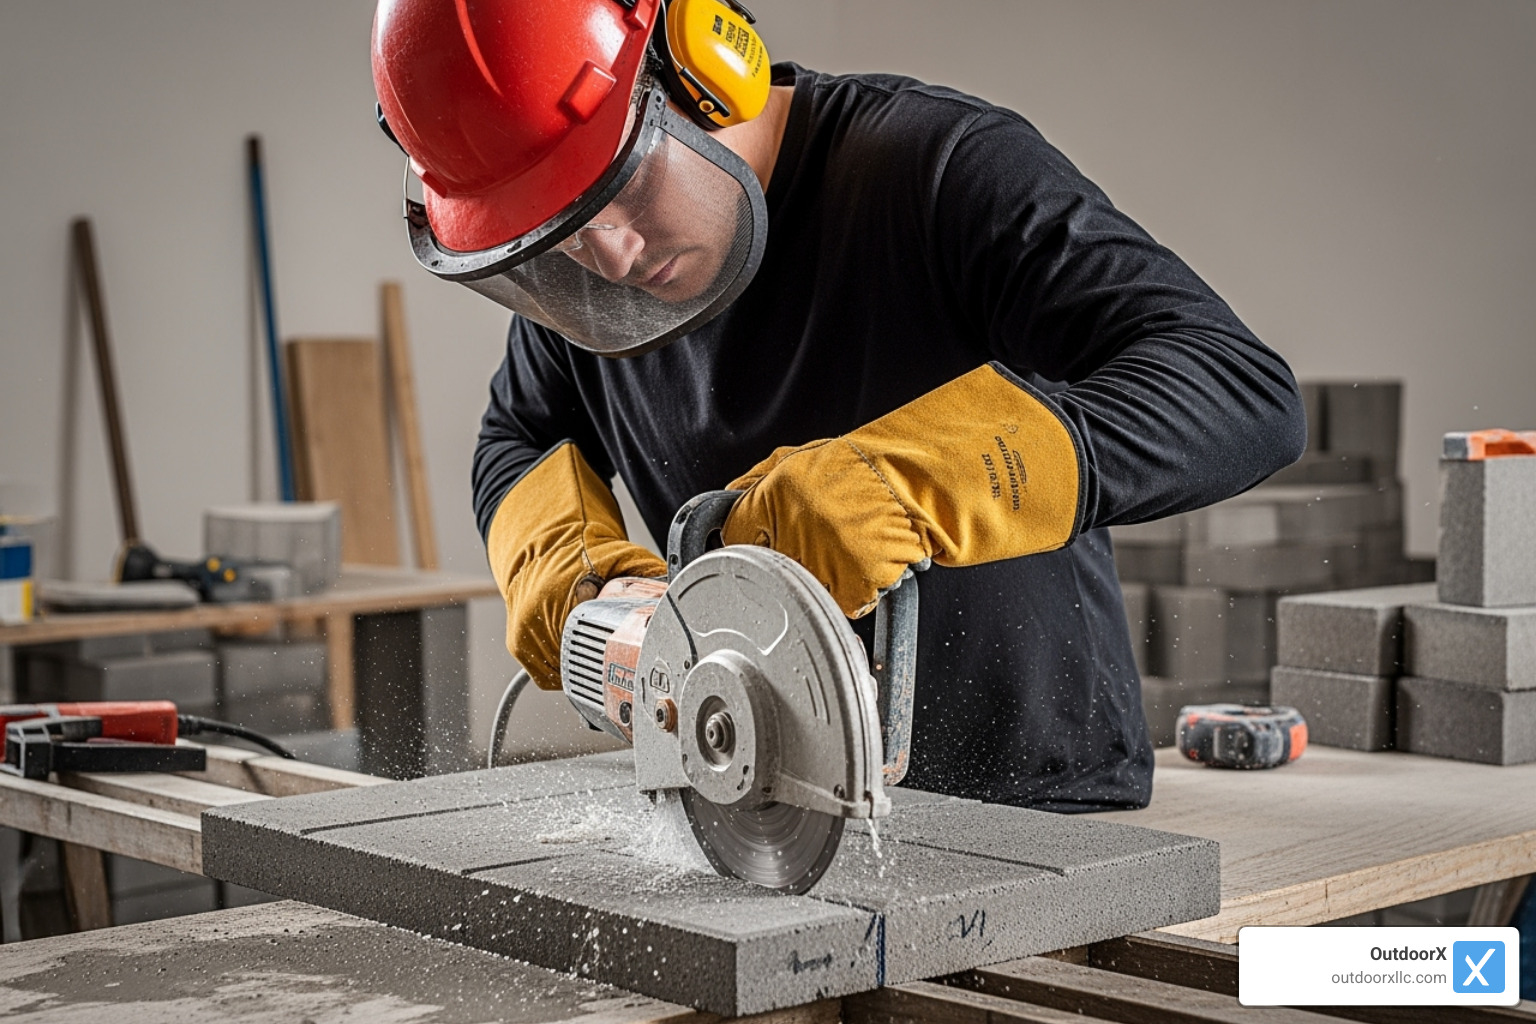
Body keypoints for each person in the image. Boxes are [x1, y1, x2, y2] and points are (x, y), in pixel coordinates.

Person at [372, 0, 1306, 811]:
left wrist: (911, 486)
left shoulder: (936, 169)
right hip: (753, 800)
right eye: (560, 228)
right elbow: (521, 434)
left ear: (705, 61)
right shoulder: (592, 287)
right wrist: (576, 575)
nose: (609, 256)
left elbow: (1237, 387)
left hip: (1037, 792)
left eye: (622, 182)